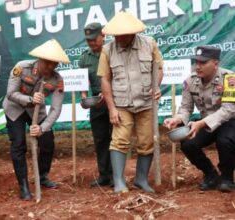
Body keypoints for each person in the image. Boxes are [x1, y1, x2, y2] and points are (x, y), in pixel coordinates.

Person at [98, 11, 163, 193]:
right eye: (116, 35)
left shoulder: (149, 44)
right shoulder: (107, 50)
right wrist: (111, 108)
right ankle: (119, 182)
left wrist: (156, 87)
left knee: (147, 142)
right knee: (119, 140)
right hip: (121, 104)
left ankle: (141, 179)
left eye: (122, 35)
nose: (118, 38)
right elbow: (105, 80)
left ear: (132, 33)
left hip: (146, 102)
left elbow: (158, 69)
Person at [3, 39, 69, 200]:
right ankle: (24, 184)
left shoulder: (57, 80)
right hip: (15, 108)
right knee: (18, 144)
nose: (51, 67)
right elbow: (10, 94)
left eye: (55, 64)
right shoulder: (21, 68)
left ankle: (42, 176)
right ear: (39, 59)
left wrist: (42, 128)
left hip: (36, 112)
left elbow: (56, 109)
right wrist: (31, 99)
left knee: (47, 142)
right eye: (48, 63)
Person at [164, 45, 235, 192]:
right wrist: (176, 119)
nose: (198, 66)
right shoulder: (190, 81)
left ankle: (227, 177)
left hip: (230, 122)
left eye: (203, 62)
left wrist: (201, 123)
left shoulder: (229, 79)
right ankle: (211, 174)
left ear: (216, 63)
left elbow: (228, 110)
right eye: (196, 62)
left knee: (224, 141)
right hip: (205, 123)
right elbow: (185, 108)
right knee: (188, 142)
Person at [79, 23, 113, 187]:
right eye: (88, 40)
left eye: (94, 39)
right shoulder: (84, 57)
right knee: (100, 140)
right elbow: (82, 81)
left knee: (115, 139)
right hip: (96, 105)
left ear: (102, 35)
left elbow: (119, 76)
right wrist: (84, 95)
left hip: (114, 102)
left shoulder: (112, 52)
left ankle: (116, 176)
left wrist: (107, 92)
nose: (91, 43)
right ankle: (104, 175)